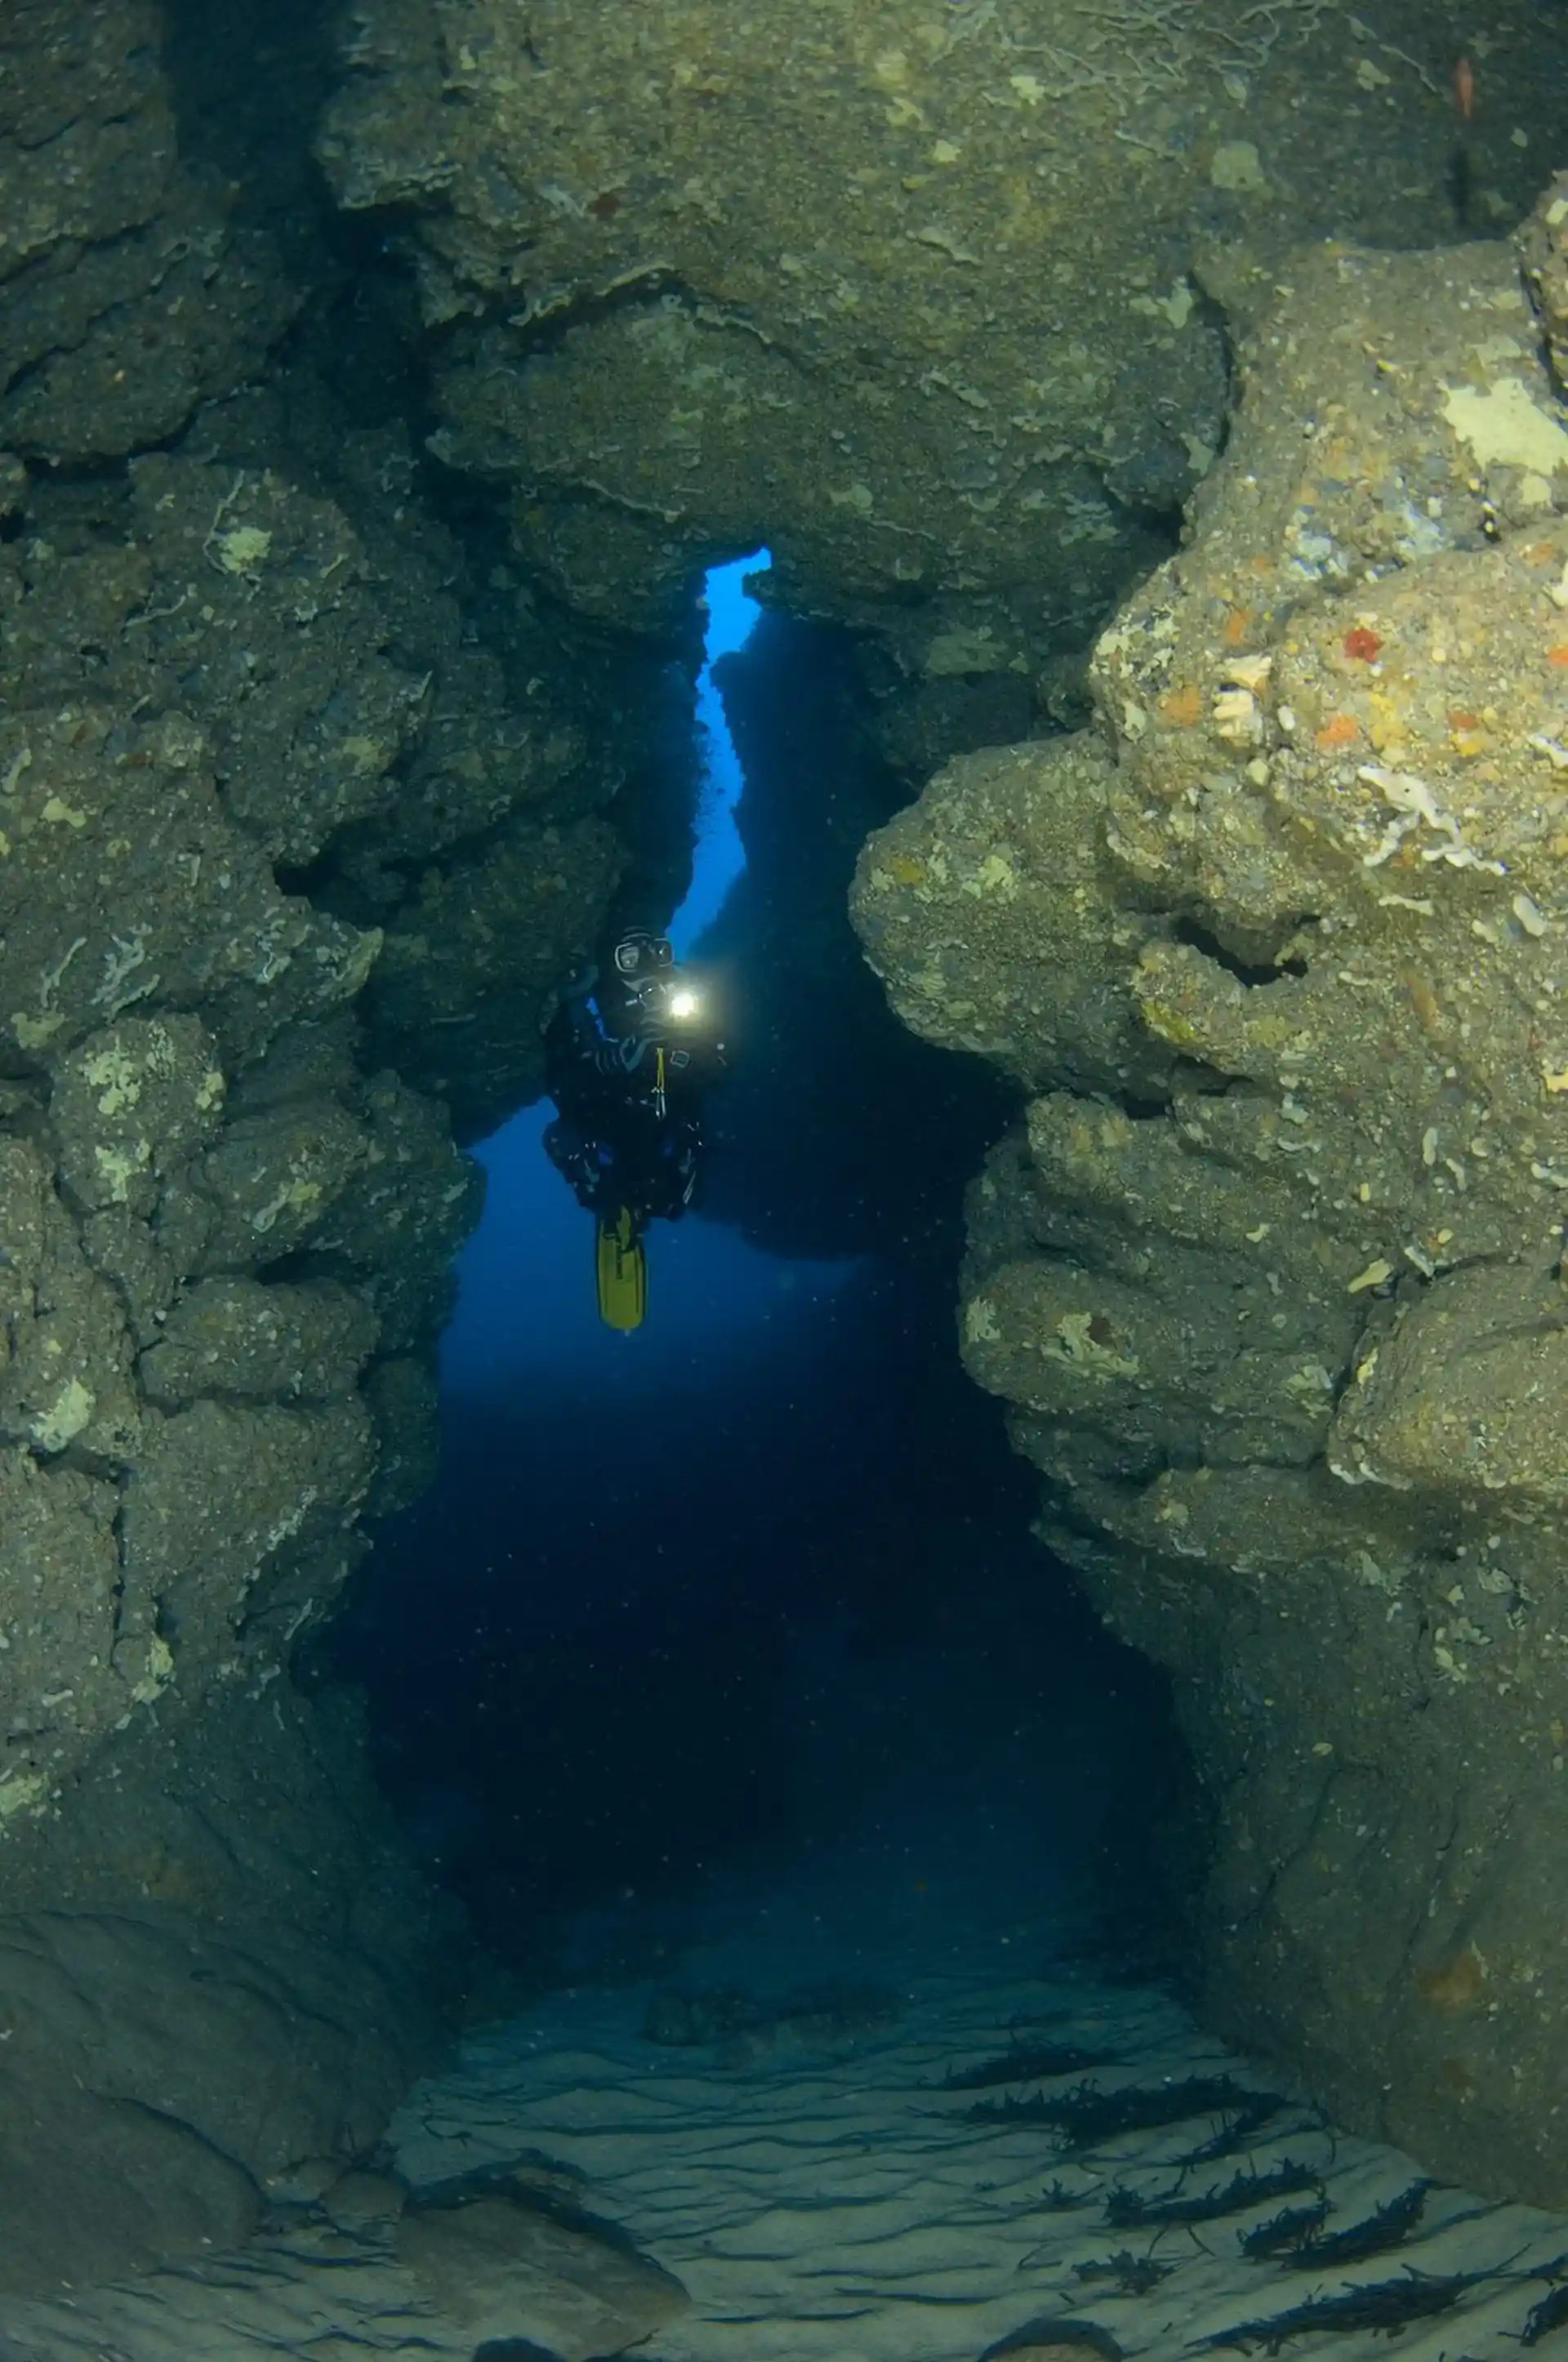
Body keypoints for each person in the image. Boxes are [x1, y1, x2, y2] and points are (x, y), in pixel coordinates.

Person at [542, 929, 725, 1326]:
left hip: (661, 1127)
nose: (647, 968)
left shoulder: (686, 1006)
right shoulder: (594, 1007)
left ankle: (642, 1203)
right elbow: (564, 1079)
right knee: (563, 1139)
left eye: (658, 953)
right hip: (606, 1120)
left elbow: (720, 1071)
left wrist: (689, 1051)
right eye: (631, 958)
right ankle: (608, 1202)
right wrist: (618, 1059)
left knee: (675, 1193)